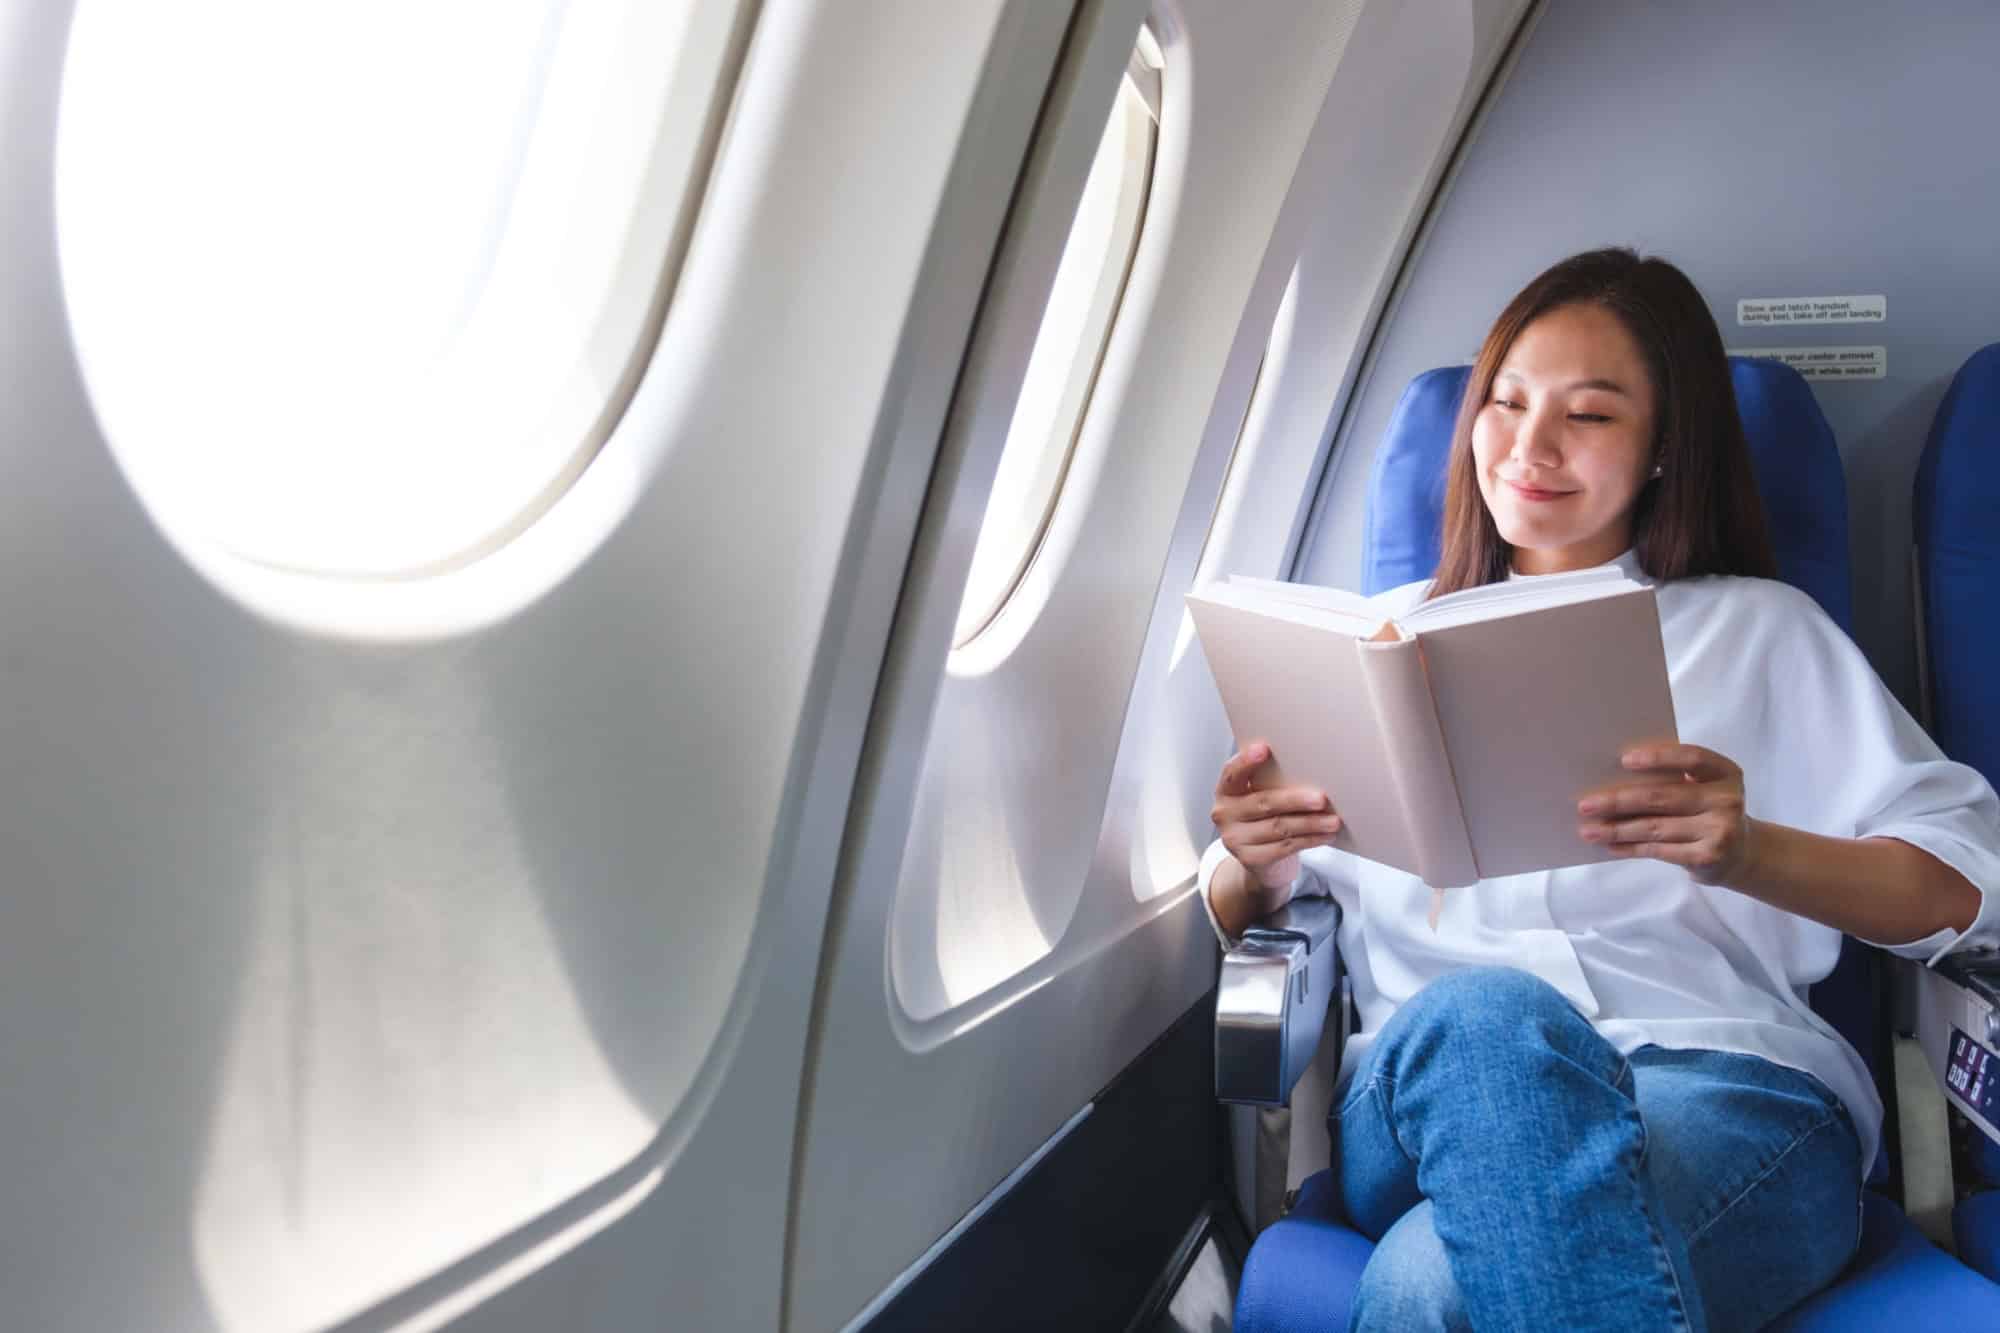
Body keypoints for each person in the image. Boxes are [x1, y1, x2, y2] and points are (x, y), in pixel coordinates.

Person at [1198, 248, 2000, 1332]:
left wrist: (1748, 851)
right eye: (1504, 403)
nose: (1527, 447)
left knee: (1424, 1289)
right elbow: (1261, 901)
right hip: (1428, 1105)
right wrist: (1247, 857)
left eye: (1587, 415)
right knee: (1481, 1016)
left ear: (1665, 446)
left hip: (1723, 1088)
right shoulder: (1367, 644)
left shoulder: (1761, 631)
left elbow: (1967, 887)